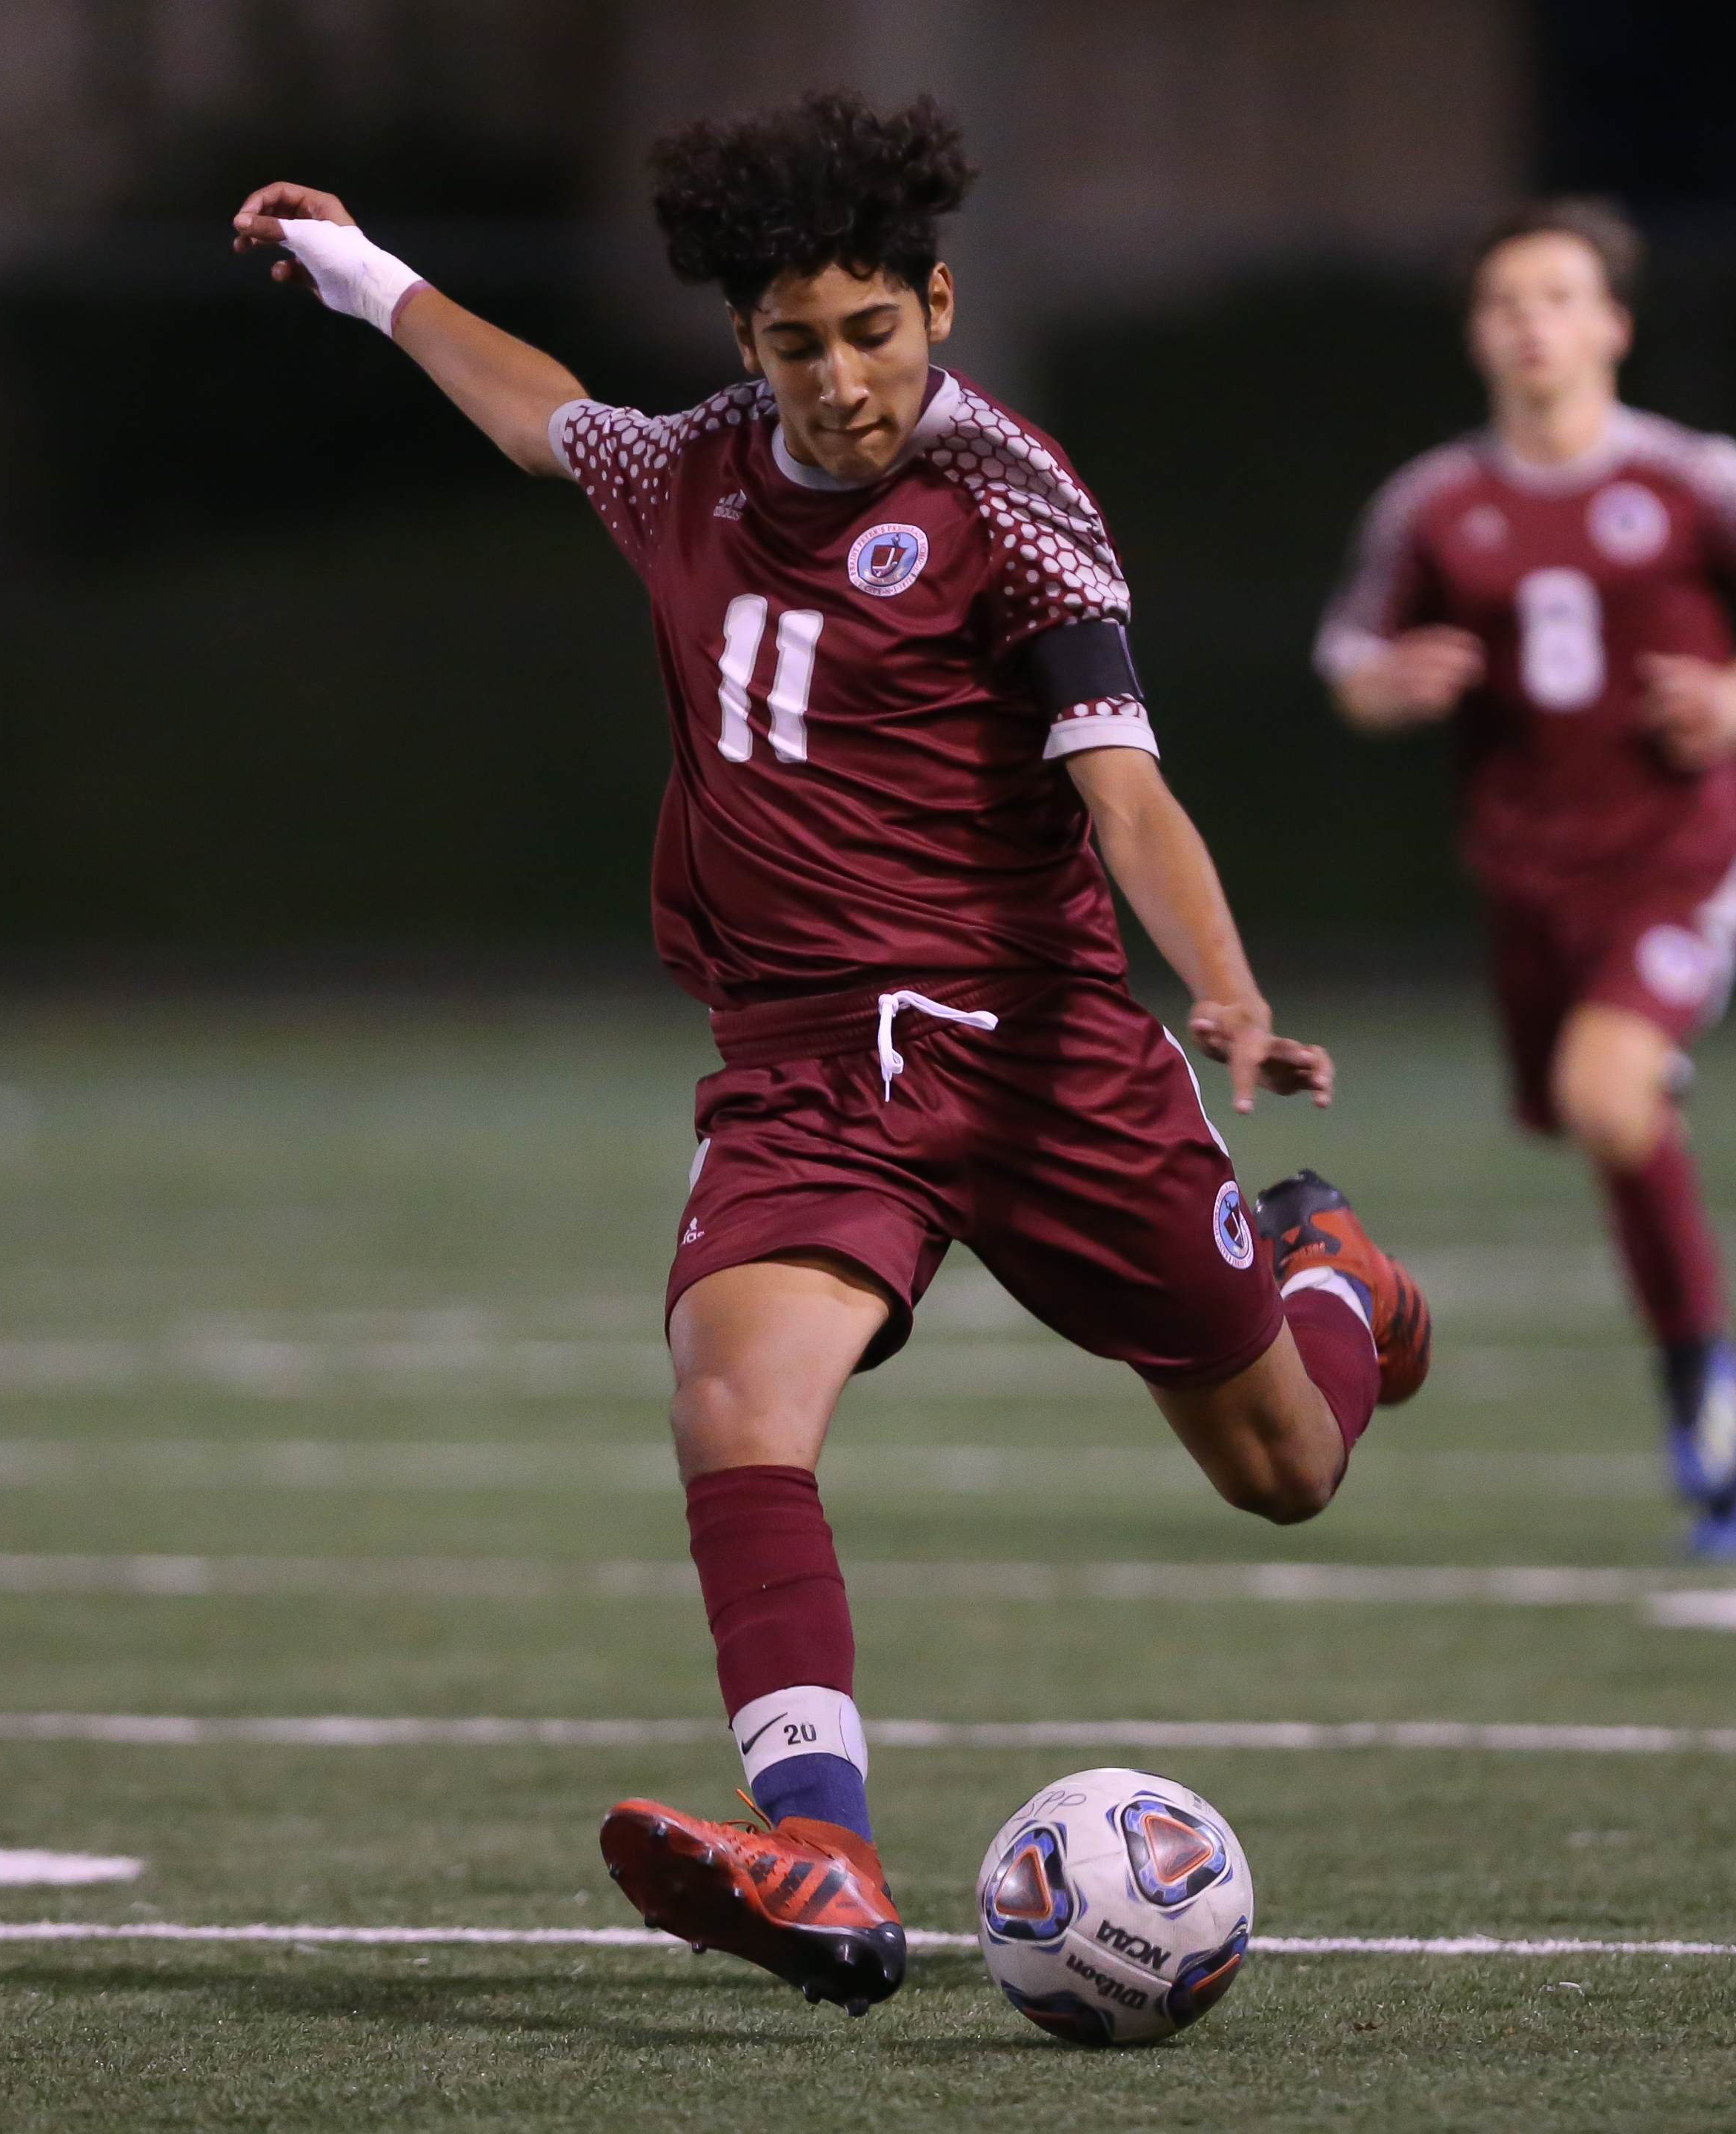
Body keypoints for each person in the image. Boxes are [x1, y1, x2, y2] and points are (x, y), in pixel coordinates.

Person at [229, 93, 1429, 2016]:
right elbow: (542, 412)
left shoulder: (1010, 500)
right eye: (801, 343)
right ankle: (822, 1846)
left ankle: (1335, 1282)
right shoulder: (688, 469)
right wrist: (364, 276)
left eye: (876, 332)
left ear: (936, 308)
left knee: (1282, 1470)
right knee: (731, 1387)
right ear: (747, 345)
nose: (847, 379)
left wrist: (1228, 992)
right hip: (806, 1069)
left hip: (1041, 1059)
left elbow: (1122, 789)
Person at [1315, 199, 1736, 1559]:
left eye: (1559, 297)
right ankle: (1716, 1383)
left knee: (1604, 1094)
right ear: (1476, 333)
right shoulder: (1437, 501)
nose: (1532, 324)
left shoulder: (1691, 475)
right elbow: (1348, 655)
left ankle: (1704, 1395)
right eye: (1506, 301)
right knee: (1593, 1121)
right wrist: (1387, 686)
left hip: (1678, 856)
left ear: (1611, 324)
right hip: (1528, 878)